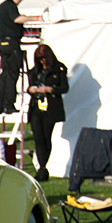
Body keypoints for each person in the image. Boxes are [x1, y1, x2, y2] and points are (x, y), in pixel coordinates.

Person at [26, 44, 68, 182]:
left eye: (44, 59)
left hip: (50, 107)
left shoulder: (59, 69)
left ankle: (43, 167)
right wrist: (31, 90)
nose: (42, 62)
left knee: (46, 137)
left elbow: (64, 87)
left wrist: (50, 89)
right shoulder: (34, 71)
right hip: (36, 107)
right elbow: (30, 85)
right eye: (39, 59)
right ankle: (42, 168)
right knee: (38, 138)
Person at [0, 0, 34, 114]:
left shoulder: (2, 7)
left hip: (3, 44)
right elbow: (17, 19)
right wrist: (34, 18)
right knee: (12, 74)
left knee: (4, 75)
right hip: (12, 44)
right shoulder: (10, 6)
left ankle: (0, 104)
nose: (21, 0)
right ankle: (9, 105)